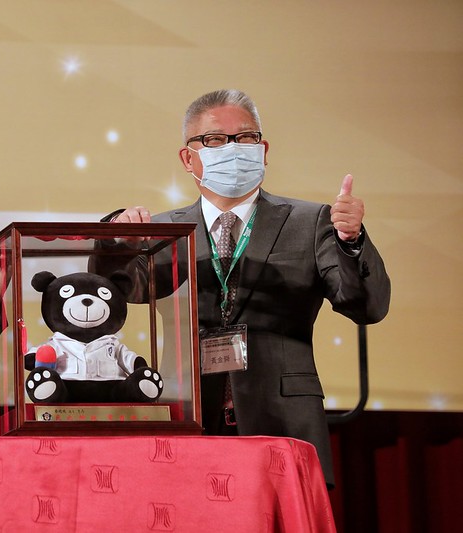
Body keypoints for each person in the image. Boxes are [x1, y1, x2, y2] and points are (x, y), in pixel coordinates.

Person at [98, 89, 391, 488]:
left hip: (282, 419)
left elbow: (367, 307)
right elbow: (119, 294)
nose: (234, 148)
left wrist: (352, 241)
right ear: (188, 158)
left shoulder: (312, 222)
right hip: (190, 415)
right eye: (216, 139)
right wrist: (114, 240)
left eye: (246, 137)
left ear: (263, 150)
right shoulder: (164, 230)